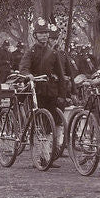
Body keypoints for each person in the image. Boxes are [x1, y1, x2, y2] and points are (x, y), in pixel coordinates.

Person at [20, 18, 68, 148]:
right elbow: (24, 68)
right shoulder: (31, 52)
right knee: (39, 121)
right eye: (41, 33)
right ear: (35, 35)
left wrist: (62, 95)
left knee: (50, 123)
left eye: (46, 33)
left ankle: (49, 152)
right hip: (36, 91)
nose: (44, 35)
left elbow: (61, 76)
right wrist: (28, 75)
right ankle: (43, 154)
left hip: (51, 92)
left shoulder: (53, 53)